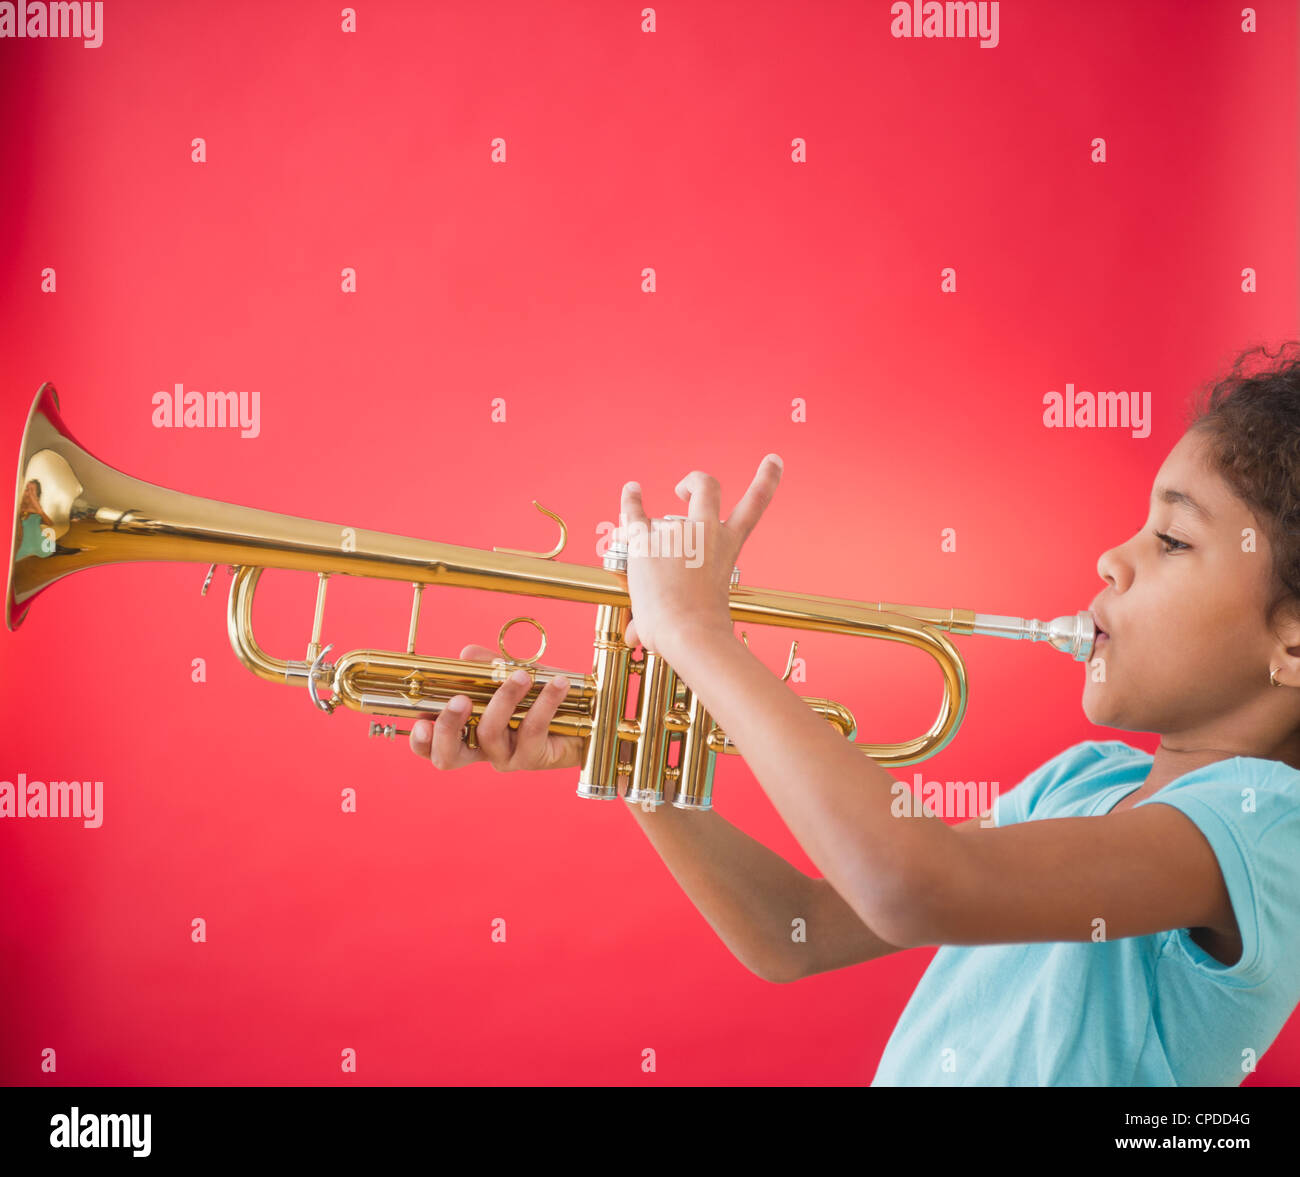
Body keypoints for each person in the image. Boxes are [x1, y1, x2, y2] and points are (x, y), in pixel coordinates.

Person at [409, 341, 1300, 1086]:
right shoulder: (1082, 781)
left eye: (1173, 539)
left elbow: (911, 883)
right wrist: (625, 748)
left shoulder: (1263, 831)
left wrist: (698, 635)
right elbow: (792, 931)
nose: (1111, 557)